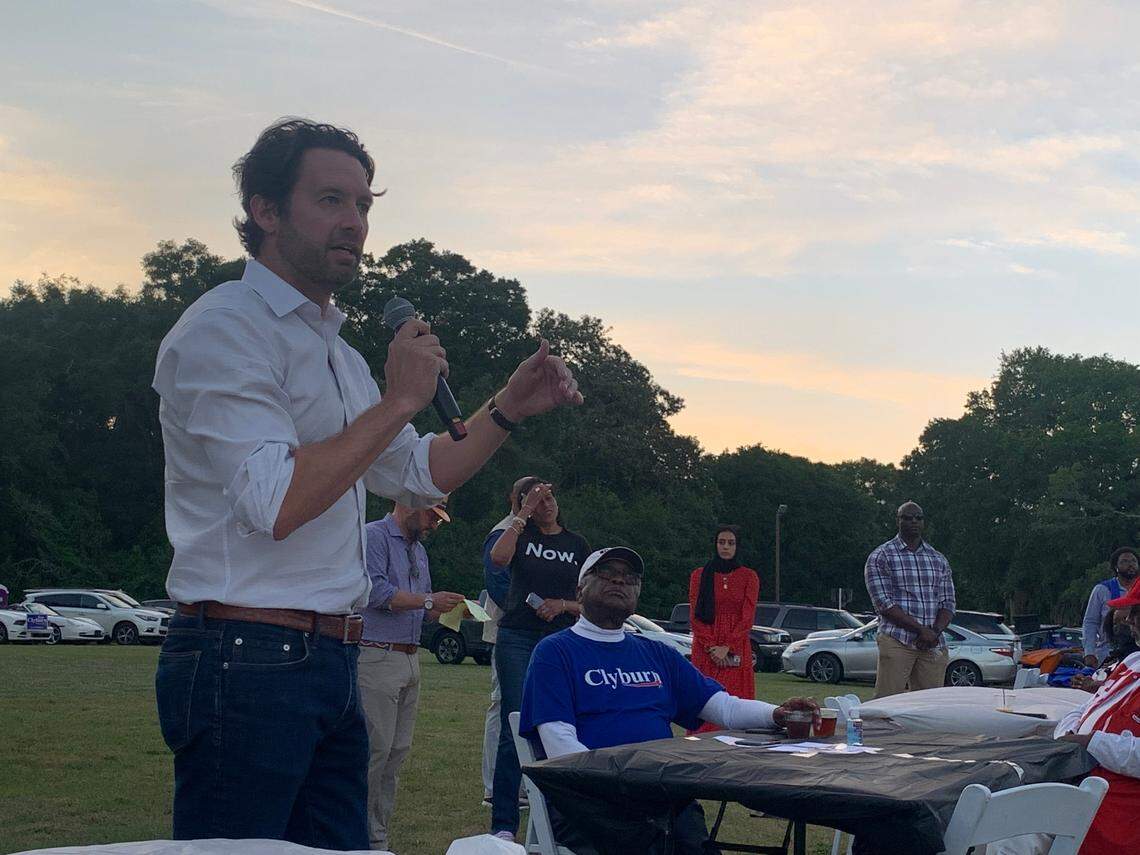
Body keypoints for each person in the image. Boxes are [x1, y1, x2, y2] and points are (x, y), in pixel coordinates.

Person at [151, 118, 582, 849]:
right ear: (264, 209)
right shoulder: (223, 329)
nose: (354, 222)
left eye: (363, 205)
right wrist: (399, 401)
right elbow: (275, 501)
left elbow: (419, 472)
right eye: (329, 199)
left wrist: (505, 407)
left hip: (333, 656)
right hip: (243, 652)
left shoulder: (340, 354)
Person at [520, 546, 820, 855]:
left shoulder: (656, 653)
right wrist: (620, 786)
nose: (620, 582)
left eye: (630, 577)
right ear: (580, 590)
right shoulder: (555, 652)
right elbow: (560, 744)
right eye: (607, 573)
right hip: (594, 802)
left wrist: (778, 714)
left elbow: (724, 706)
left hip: (663, 796)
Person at [485, 477, 589, 842]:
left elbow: (588, 602)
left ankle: (560, 819)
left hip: (560, 638)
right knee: (515, 722)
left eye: (549, 498)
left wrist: (562, 605)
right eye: (537, 500)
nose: (546, 504)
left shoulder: (576, 545)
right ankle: (503, 824)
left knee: (560, 722)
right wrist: (523, 513)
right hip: (517, 637)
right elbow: (498, 560)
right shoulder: (521, 536)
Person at [357, 500, 462, 850]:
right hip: (376, 654)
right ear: (409, 503)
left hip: (409, 657)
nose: (435, 524)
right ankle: (356, 834)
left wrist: (454, 610)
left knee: (397, 752)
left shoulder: (419, 552)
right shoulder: (374, 536)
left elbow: (422, 607)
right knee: (375, 750)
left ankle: (377, 837)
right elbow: (375, 592)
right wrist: (430, 601)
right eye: (433, 515)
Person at [1055, 578, 1140, 852]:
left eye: (1136, 612)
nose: (1128, 620)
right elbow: (1087, 707)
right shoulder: (1132, 661)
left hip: (1120, 809)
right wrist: (1066, 734)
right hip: (1080, 783)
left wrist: (1091, 742)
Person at [864, 501, 956, 698]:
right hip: (898, 639)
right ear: (898, 521)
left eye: (918, 518)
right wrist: (920, 630)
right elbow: (884, 604)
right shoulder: (881, 556)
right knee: (887, 704)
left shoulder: (937, 558)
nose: (914, 521)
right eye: (908, 517)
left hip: (932, 643)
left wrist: (934, 631)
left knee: (928, 707)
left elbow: (948, 603)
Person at [479, 477, 533, 808]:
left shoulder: (535, 537)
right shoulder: (501, 534)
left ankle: (523, 784)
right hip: (509, 632)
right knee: (503, 707)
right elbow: (498, 585)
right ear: (515, 499)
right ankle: (494, 786)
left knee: (526, 708)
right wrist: (532, 611)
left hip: (532, 634)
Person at [688, 524, 759, 733]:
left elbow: (748, 616)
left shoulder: (749, 576)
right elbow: (695, 615)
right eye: (721, 542)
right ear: (715, 544)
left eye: (731, 543)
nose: (725, 547)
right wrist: (711, 646)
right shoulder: (699, 575)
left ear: (738, 546)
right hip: (705, 646)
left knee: (736, 697)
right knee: (705, 696)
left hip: (736, 644)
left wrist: (727, 646)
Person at [1081, 546, 1139, 667]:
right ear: (1115, 567)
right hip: (1108, 653)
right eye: (1125, 561)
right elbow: (1090, 622)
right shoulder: (1102, 590)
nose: (1131, 564)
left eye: (1134, 561)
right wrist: (1089, 652)